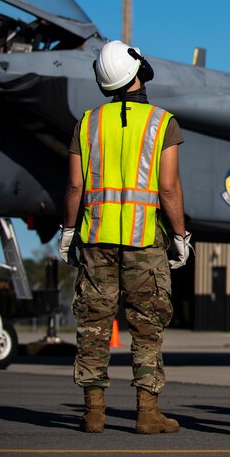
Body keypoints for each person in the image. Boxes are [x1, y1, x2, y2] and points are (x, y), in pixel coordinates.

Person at [58, 40, 192, 435]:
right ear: (138, 73)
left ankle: (94, 412)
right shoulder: (162, 122)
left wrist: (68, 232)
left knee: (94, 326)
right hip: (144, 241)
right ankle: (147, 413)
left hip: (96, 238)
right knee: (146, 327)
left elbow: (73, 187)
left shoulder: (86, 123)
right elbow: (168, 189)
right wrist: (180, 236)